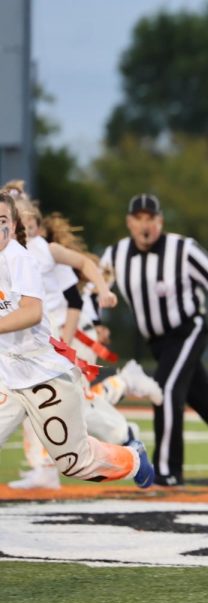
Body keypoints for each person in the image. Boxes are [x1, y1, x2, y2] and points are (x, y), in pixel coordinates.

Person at [100, 193, 208, 487]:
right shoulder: (115, 255)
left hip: (188, 331)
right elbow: (94, 287)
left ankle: (167, 471)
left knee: (164, 390)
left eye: (150, 219)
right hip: (157, 342)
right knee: (207, 405)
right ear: (129, 223)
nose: (145, 226)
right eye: (138, 219)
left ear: (160, 221)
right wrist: (95, 322)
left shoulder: (183, 248)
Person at [0, 192, 155, 490]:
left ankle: (132, 457)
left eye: (2, 220)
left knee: (75, 462)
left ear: (15, 225)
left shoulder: (20, 258)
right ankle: (42, 470)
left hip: (42, 374)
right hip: (7, 375)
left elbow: (32, 312)